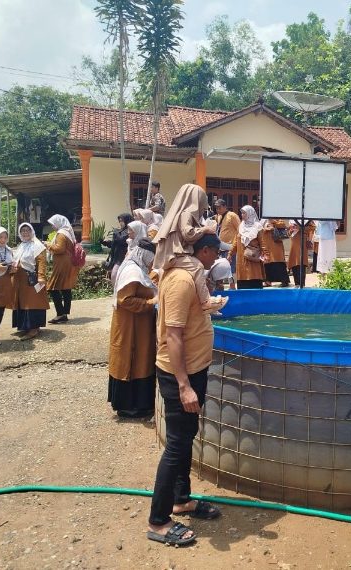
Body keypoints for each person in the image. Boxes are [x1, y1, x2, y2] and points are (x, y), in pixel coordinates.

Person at [147, 232, 222, 547]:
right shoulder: (180, 280)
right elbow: (173, 335)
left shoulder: (189, 275)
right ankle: (159, 520)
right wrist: (184, 386)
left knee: (185, 436)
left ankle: (181, 499)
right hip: (182, 374)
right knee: (177, 444)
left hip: (193, 369)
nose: (217, 258)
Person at [153, 184, 226, 313]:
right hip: (175, 254)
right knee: (197, 266)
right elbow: (188, 234)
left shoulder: (184, 214)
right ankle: (206, 302)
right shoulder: (186, 213)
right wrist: (205, 229)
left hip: (178, 253)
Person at [108, 238, 158, 419]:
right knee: (132, 361)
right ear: (145, 255)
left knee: (141, 361)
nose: (152, 263)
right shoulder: (133, 272)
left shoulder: (137, 268)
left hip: (138, 325)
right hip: (131, 327)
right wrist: (151, 302)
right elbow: (125, 300)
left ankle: (139, 404)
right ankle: (130, 406)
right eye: (152, 258)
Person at [12, 223, 49, 340]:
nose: (25, 232)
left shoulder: (37, 245)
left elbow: (42, 262)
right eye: (22, 230)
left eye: (27, 230)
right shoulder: (22, 245)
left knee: (33, 303)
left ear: (32, 231)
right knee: (23, 303)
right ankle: (26, 326)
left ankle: (33, 329)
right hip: (21, 279)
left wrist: (41, 277)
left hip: (32, 279)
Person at [45, 214, 80, 324]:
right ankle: (64, 313)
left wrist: (48, 244)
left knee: (52, 287)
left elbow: (59, 249)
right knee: (66, 287)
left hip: (62, 263)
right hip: (67, 262)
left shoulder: (61, 234)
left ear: (58, 223)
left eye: (53, 224)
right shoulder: (67, 232)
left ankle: (60, 314)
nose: (52, 226)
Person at [229, 205, 267, 290]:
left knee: (254, 285)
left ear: (250, 214)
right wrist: (230, 253)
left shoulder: (257, 226)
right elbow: (236, 242)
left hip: (253, 259)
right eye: (241, 213)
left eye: (244, 213)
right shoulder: (240, 226)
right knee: (243, 287)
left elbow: (263, 242)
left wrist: (265, 254)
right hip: (241, 260)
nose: (242, 215)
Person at [214, 199, 240, 289]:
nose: (218, 210)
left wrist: (235, 245)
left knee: (231, 268)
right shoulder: (219, 217)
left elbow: (239, 229)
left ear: (225, 207)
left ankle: (232, 286)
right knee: (221, 267)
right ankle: (220, 286)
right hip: (221, 246)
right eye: (216, 208)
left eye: (219, 208)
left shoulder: (232, 215)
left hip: (230, 246)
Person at [101, 213, 133, 283]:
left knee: (114, 276)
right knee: (114, 276)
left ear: (127, 221)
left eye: (122, 221)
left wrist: (116, 232)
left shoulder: (129, 231)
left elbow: (122, 240)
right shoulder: (121, 231)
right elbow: (115, 244)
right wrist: (105, 242)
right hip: (116, 257)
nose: (120, 223)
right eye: (120, 221)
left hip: (122, 258)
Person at [259, 218, 290, 286]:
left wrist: (273, 223)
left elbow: (283, 225)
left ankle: (284, 281)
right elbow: (259, 229)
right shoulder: (263, 220)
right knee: (267, 262)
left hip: (276, 244)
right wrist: (265, 229)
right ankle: (268, 281)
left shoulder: (277, 218)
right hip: (266, 243)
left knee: (278, 262)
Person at [287, 219, 315, 287]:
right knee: (294, 261)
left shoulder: (306, 218)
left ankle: (302, 283)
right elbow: (288, 233)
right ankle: (296, 283)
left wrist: (300, 227)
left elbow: (312, 228)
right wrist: (291, 229)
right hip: (294, 241)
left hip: (303, 240)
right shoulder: (292, 219)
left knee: (302, 261)